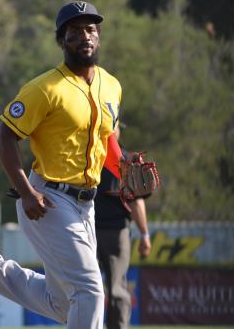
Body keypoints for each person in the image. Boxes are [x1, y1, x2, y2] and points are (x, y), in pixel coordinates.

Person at [0, 1, 121, 329]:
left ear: (99, 36)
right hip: (48, 198)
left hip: (87, 206)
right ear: (61, 40)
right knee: (90, 291)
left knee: (64, 305)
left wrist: (124, 174)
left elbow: (104, 141)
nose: (85, 36)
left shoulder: (111, 85)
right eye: (75, 31)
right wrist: (25, 192)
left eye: (91, 29)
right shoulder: (45, 88)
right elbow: (4, 137)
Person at [95, 127, 151, 329]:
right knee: (117, 288)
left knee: (85, 287)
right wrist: (144, 234)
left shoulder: (86, 156)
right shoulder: (126, 161)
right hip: (115, 233)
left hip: (88, 230)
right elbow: (136, 203)